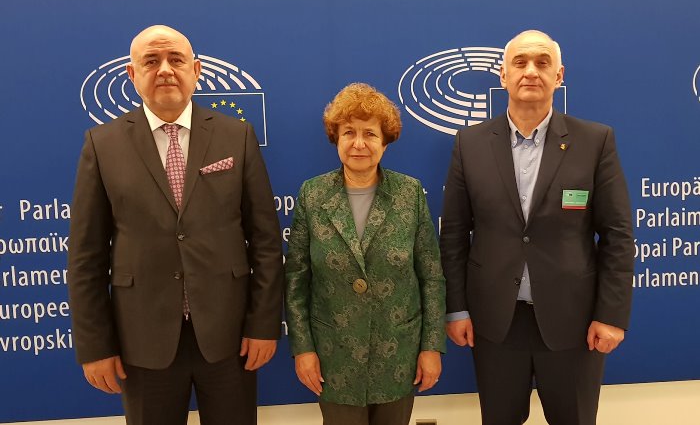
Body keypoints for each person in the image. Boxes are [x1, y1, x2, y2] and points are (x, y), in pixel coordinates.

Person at [67, 25, 283, 425]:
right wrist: (95, 346)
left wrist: (264, 324)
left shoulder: (237, 136)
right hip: (142, 341)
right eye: (151, 61)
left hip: (229, 338)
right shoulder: (102, 144)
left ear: (195, 70)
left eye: (176, 60)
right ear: (132, 75)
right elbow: (86, 258)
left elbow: (266, 242)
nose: (165, 69)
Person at [440, 30, 634, 425]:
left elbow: (617, 236)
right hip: (495, 323)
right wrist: (456, 308)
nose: (531, 71)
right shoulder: (469, 143)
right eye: (520, 62)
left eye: (543, 62)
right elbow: (454, 235)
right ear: (503, 75)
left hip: (575, 324)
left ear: (559, 76)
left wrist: (611, 315)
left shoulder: (595, 141)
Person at [285, 83, 446, 425]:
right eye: (349, 133)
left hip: (397, 354)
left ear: (385, 141)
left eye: (370, 134)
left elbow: (431, 277)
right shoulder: (312, 195)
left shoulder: (409, 193)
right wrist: (303, 349)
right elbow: (296, 280)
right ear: (336, 138)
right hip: (334, 357)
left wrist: (431, 347)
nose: (359, 143)